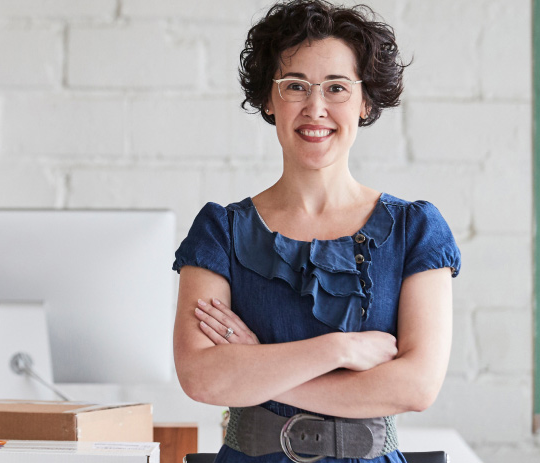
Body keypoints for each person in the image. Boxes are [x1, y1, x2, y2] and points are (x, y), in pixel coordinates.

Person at [172, 1, 461, 462]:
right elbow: (202, 378)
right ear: (269, 99)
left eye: (337, 88)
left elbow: (416, 386)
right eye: (295, 86)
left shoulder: (416, 229)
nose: (316, 107)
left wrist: (260, 365)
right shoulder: (220, 232)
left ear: (366, 102)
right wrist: (338, 349)